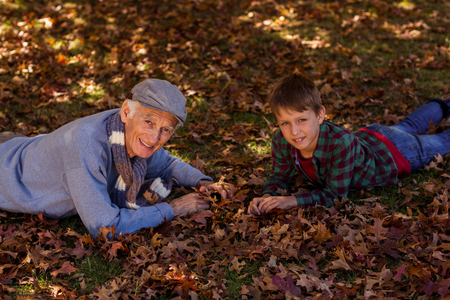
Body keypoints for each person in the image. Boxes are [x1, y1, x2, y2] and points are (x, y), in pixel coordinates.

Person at [0, 79, 232, 238]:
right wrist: (172, 209)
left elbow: (166, 164)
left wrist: (203, 182)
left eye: (166, 130)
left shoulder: (124, 132)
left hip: (23, 144)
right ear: (125, 112)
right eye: (149, 122)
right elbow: (104, 226)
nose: (154, 138)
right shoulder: (86, 146)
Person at [248, 73, 450, 215]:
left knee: (443, 140)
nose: (294, 131)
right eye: (285, 123)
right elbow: (280, 175)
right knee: (410, 124)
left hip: (396, 154)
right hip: (373, 136)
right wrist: (268, 196)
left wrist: (291, 200)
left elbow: (335, 195)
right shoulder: (281, 140)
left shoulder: (340, 143)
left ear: (320, 115)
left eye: (302, 120)